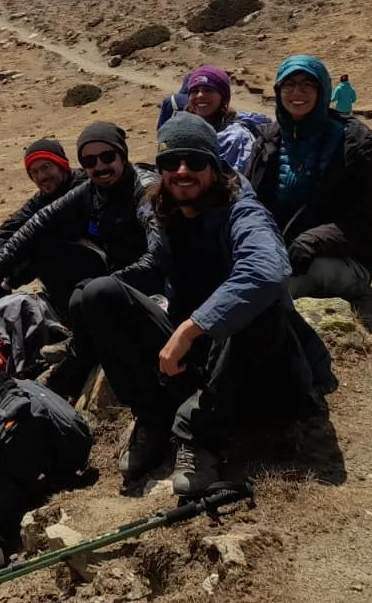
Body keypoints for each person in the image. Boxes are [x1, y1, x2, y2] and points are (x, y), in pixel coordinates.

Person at [64, 113, 330, 496]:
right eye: (171, 163)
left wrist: (191, 329)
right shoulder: (167, 208)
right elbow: (156, 265)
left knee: (260, 302)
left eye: (195, 161)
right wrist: (97, 292)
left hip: (260, 366)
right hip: (204, 356)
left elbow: (266, 270)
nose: (182, 171)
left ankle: (197, 434)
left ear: (215, 165)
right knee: (99, 294)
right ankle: (153, 417)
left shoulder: (243, 209)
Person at [0, 124, 150, 323]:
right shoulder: (53, 196)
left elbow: (158, 255)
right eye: (34, 172)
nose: (42, 176)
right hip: (110, 274)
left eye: (46, 167)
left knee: (48, 250)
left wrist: (10, 279)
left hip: (126, 274)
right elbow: (18, 227)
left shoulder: (99, 186)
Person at [249, 56, 372, 301]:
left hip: (338, 258)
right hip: (278, 251)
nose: (296, 92)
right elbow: (249, 199)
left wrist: (310, 242)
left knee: (274, 291)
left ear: (322, 91)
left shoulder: (355, 145)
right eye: (288, 85)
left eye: (307, 85)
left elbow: (363, 224)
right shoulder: (269, 140)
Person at [179, 65, 269, 175]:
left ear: (223, 97)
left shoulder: (236, 138)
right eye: (195, 91)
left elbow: (236, 183)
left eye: (208, 90)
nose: (200, 95)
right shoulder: (182, 128)